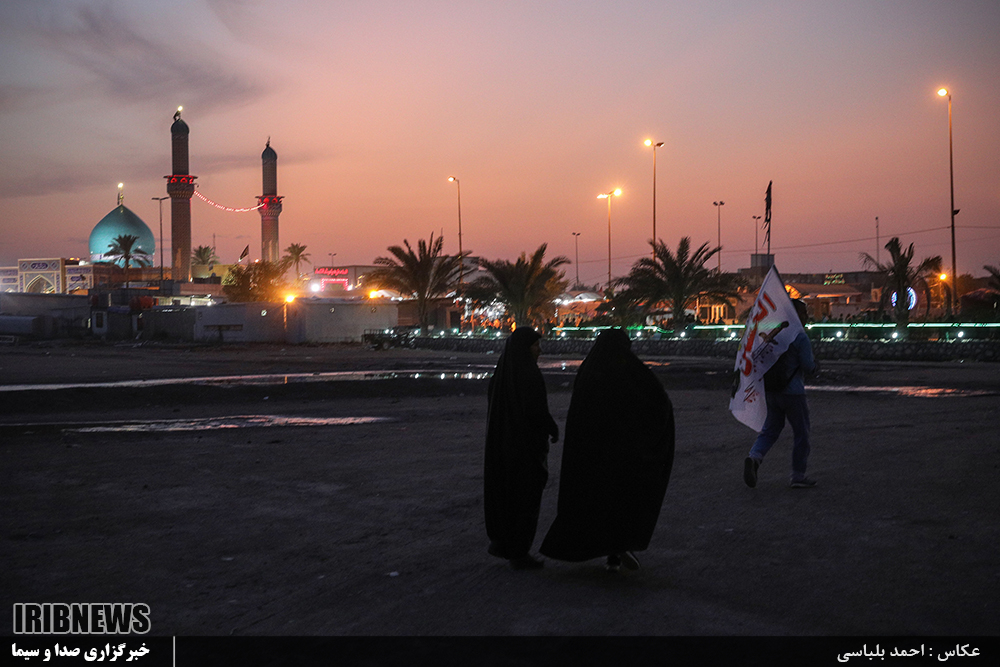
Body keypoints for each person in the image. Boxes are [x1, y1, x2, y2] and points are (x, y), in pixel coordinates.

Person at [540, 328, 675, 572]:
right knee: (620, 501)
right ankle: (616, 551)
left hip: (590, 454)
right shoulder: (628, 370)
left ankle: (608, 551)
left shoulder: (590, 371)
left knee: (594, 502)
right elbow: (656, 399)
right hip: (622, 453)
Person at [484, 327, 559, 570]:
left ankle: (504, 544)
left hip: (503, 447)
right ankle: (519, 552)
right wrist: (551, 428)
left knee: (507, 497)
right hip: (525, 450)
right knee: (525, 500)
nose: (540, 350)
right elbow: (535, 411)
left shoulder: (502, 375)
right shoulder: (528, 374)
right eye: (536, 346)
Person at [744, 298, 818, 489]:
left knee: (770, 429)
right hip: (793, 393)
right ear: (794, 315)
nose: (807, 317)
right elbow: (808, 366)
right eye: (803, 313)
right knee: (801, 433)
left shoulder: (772, 334)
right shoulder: (799, 337)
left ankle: (754, 457)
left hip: (771, 391)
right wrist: (815, 367)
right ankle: (798, 475)